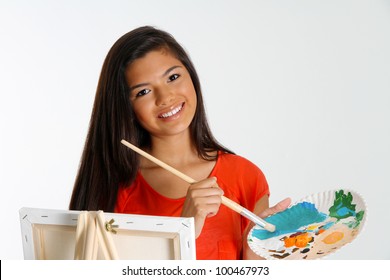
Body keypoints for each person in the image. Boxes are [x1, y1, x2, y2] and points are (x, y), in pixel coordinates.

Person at [69, 26, 290, 260]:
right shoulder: (116, 184)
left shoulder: (245, 176)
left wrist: (260, 250)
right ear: (126, 107)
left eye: (173, 78)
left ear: (192, 76)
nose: (165, 98)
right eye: (143, 92)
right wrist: (183, 230)